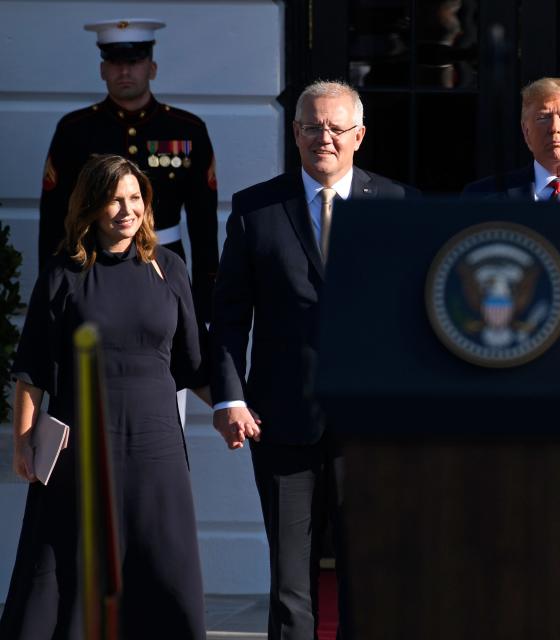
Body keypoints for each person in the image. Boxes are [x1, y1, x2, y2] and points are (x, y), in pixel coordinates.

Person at [209, 79, 417, 640]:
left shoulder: (399, 206)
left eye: (335, 127)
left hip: (371, 426)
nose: (322, 137)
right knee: (289, 585)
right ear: (294, 133)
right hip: (281, 420)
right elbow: (229, 315)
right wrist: (230, 394)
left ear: (359, 135)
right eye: (310, 126)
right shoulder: (257, 209)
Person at [0, 154, 210, 639]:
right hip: (81, 452)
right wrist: (23, 443)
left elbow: (194, 364)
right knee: (71, 572)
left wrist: (235, 407)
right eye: (114, 199)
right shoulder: (63, 273)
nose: (126, 210)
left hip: (156, 450)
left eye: (135, 198)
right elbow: (32, 369)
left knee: (164, 568)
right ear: (92, 206)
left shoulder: (169, 268)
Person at [39, 19, 219, 323]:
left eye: (134, 62)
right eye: (114, 62)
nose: (124, 71)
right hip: (92, 264)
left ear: (152, 68)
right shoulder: (75, 130)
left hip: (164, 261)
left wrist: (204, 294)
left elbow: (204, 222)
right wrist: (51, 283)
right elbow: (55, 217)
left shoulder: (187, 130)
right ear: (102, 70)